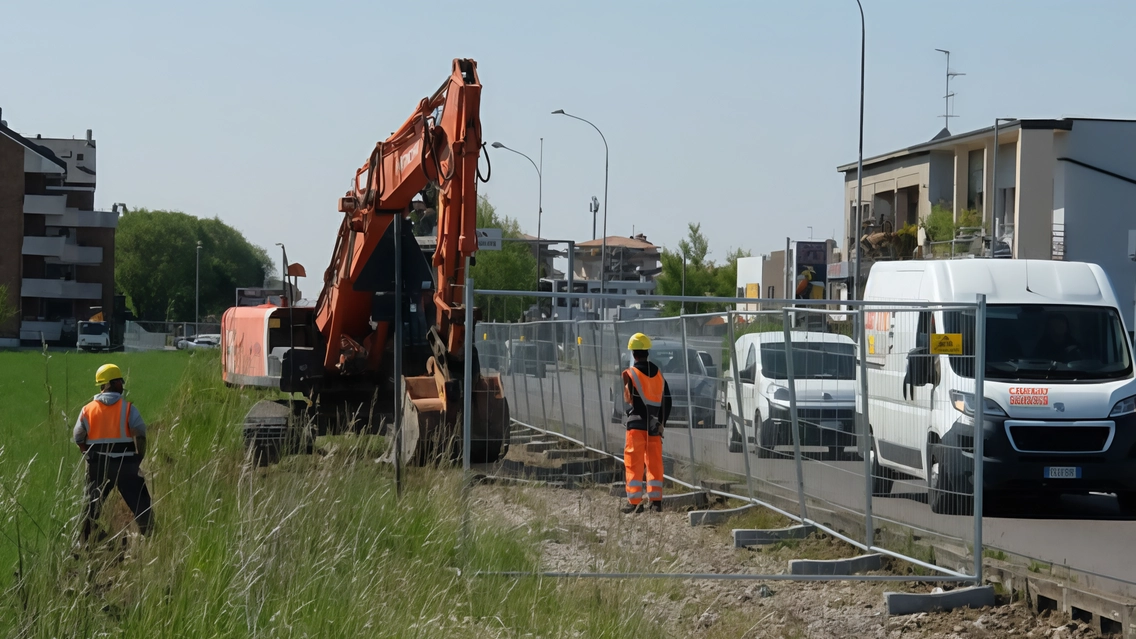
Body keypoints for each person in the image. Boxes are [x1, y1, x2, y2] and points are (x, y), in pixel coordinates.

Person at [74, 364, 154, 543]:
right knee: (142, 505)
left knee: (91, 508)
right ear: (113, 383)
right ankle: (152, 539)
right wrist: (138, 459)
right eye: (119, 382)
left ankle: (85, 543)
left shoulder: (87, 410)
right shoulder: (128, 409)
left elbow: (78, 436)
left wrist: (87, 454)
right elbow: (140, 434)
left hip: (98, 467)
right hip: (126, 466)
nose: (122, 385)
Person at [620, 333, 672, 514]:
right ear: (647, 352)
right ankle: (655, 502)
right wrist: (661, 423)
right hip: (654, 428)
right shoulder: (658, 374)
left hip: (636, 427)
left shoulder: (631, 374)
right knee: (654, 464)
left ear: (634, 354)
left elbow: (632, 400)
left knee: (634, 464)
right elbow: (668, 400)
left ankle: (634, 503)